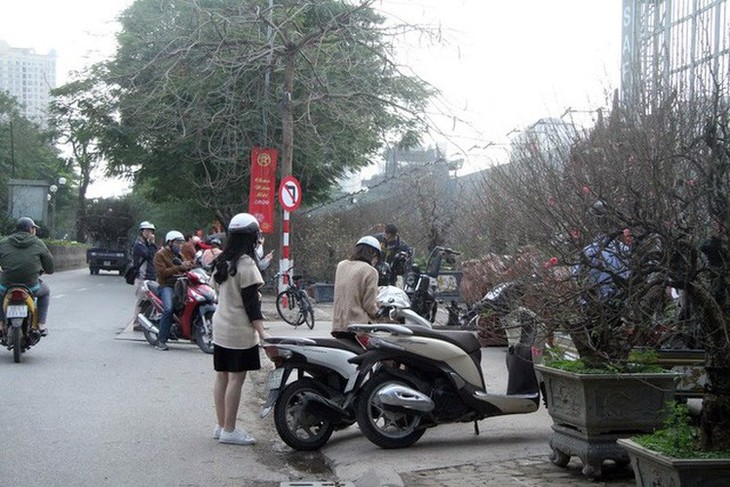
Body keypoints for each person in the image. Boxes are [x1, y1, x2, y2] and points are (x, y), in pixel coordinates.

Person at [210, 212, 268, 445]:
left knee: (221, 377)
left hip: (220, 326)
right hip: (238, 331)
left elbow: (218, 291)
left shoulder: (221, 261)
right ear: (251, 237)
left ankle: (221, 425)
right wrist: (264, 334)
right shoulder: (246, 264)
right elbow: (251, 306)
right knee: (236, 379)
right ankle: (230, 430)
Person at [0, 217, 55, 336]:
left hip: (6, 286)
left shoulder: (4, 242)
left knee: (0, 293)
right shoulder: (38, 243)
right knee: (45, 292)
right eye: (34, 228)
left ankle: (1, 323)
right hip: (31, 286)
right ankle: (41, 324)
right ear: (30, 229)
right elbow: (50, 267)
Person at [331, 236, 381, 340]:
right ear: (373, 254)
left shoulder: (341, 265)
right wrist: (380, 314)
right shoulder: (371, 271)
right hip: (357, 327)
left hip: (338, 326)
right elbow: (369, 305)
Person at [152, 230, 194, 351]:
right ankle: (161, 340)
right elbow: (162, 273)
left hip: (180, 285)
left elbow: (187, 265)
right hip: (166, 286)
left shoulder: (179, 255)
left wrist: (189, 265)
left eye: (181, 243)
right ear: (169, 242)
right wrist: (179, 267)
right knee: (169, 309)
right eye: (177, 243)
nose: (179, 245)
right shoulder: (160, 255)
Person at [130, 221, 157, 330]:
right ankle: (136, 323)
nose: (149, 233)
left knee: (149, 301)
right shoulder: (139, 245)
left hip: (149, 277)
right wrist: (152, 243)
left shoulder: (146, 244)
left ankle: (144, 321)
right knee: (141, 301)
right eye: (146, 231)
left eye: (150, 231)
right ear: (141, 232)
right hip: (142, 277)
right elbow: (150, 255)